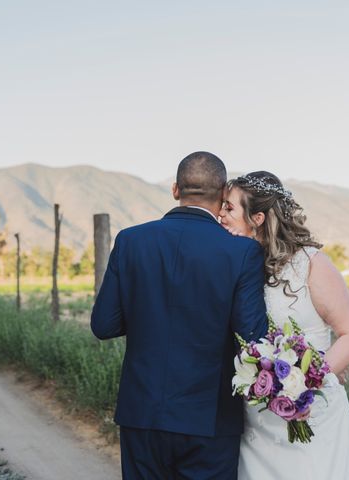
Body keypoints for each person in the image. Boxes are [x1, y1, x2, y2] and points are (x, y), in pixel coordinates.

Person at [91, 152, 270, 480]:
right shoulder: (242, 253)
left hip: (141, 413)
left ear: (175, 189)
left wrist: (150, 315)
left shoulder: (130, 240)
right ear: (222, 195)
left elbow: (103, 325)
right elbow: (253, 338)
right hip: (209, 418)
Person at [219, 171, 349, 479]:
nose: (220, 215)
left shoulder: (311, 263)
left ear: (258, 217)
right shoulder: (237, 265)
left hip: (311, 411)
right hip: (257, 420)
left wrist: (307, 384)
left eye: (229, 207)